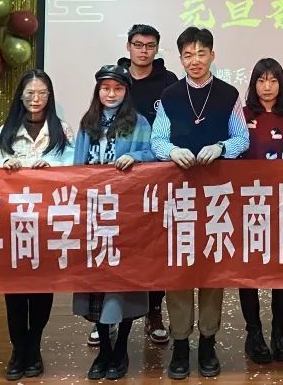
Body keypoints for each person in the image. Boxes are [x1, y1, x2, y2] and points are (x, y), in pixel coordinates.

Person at [151, 27, 249, 380]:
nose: (195, 60)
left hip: (217, 195)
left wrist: (222, 147)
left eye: (201, 53)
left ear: (212, 55)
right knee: (178, 268)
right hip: (178, 194)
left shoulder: (228, 94)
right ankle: (180, 344)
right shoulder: (169, 95)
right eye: (188, 55)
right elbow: (157, 139)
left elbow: (242, 137)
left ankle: (208, 342)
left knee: (211, 268)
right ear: (180, 58)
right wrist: (170, 151)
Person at [0, 69, 74, 381]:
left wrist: (53, 167)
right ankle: (17, 348)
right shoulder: (6, 130)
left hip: (47, 223)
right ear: (20, 97)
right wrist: (4, 165)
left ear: (50, 96)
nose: (35, 99)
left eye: (41, 93)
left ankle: (34, 346)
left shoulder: (62, 130)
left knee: (41, 288)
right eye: (30, 93)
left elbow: (76, 166)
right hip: (13, 223)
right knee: (14, 290)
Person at [72, 64, 154, 380]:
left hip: (126, 214)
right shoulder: (88, 123)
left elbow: (152, 153)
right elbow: (77, 165)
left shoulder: (139, 122)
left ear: (126, 91)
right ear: (98, 91)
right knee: (97, 283)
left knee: (124, 283)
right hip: (94, 214)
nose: (111, 94)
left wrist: (136, 157)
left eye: (117, 88)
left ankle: (121, 349)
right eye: (105, 88)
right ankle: (104, 348)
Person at [115, 23, 178, 347]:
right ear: (128, 46)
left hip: (157, 175)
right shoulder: (115, 78)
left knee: (156, 246)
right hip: (118, 176)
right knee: (119, 244)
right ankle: (110, 313)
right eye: (138, 45)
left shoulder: (168, 82)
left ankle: (154, 311)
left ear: (156, 48)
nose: (143, 51)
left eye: (150, 46)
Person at [238, 58, 283, 365]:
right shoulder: (241, 114)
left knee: (282, 268)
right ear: (253, 84)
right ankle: (254, 332)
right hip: (248, 202)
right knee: (248, 269)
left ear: (281, 84)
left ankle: (278, 331)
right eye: (261, 80)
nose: (267, 87)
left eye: (273, 80)